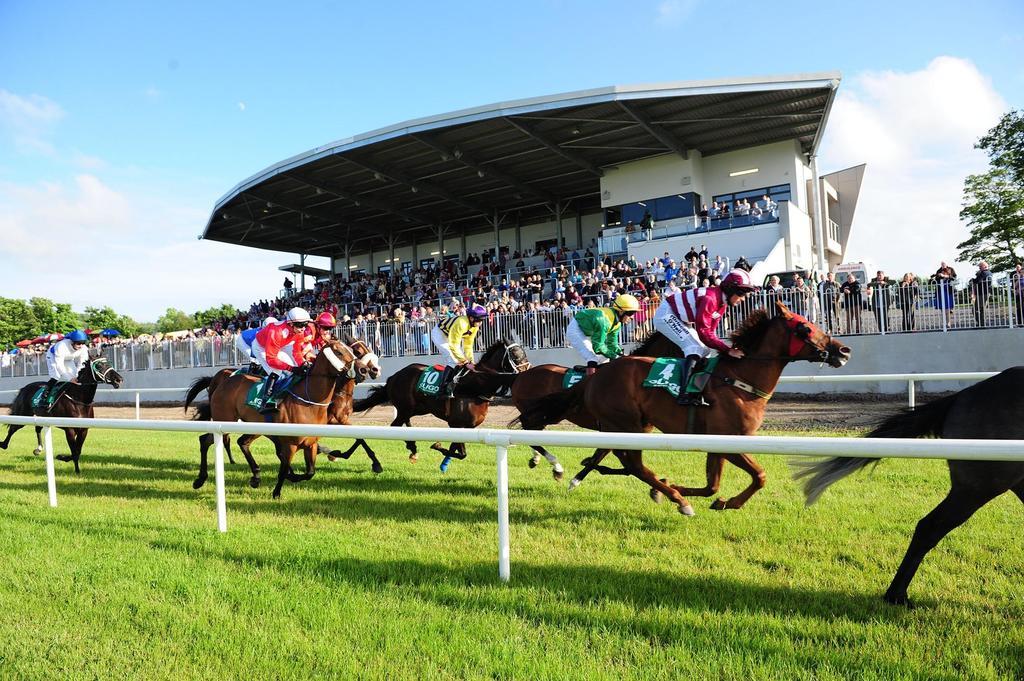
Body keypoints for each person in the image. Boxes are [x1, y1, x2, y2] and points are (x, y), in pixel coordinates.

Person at [652, 269, 756, 406]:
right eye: (741, 294)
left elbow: (710, 333)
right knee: (694, 347)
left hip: (680, 318)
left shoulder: (722, 304)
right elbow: (703, 332)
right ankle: (683, 394)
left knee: (705, 350)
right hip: (666, 314)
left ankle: (695, 392)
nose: (742, 299)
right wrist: (727, 350)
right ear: (730, 289)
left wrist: (725, 349)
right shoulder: (711, 299)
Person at [251, 307, 313, 413]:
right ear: (291, 324)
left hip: (279, 346)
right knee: (276, 371)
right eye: (300, 325)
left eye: (305, 325)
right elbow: (271, 359)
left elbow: (296, 352)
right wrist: (291, 368)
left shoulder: (299, 332)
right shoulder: (277, 332)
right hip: (260, 347)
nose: (303, 329)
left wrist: (302, 363)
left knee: (296, 367)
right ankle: (265, 402)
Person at [566, 294, 640, 373]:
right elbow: (598, 347)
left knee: (604, 359)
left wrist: (621, 354)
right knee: (592, 357)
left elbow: (612, 344)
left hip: (589, 331)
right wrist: (615, 356)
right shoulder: (604, 321)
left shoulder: (617, 323)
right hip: (576, 329)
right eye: (631, 313)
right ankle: (590, 383)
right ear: (621, 311)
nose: (632, 317)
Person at [430, 303, 487, 398]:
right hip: (440, 334)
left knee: (463, 361)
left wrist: (470, 361)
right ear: (472, 318)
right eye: (480, 320)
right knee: (453, 360)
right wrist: (465, 362)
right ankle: (442, 390)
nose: (481, 323)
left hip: (451, 337)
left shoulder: (475, 327)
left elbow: (468, 345)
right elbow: (453, 346)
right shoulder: (461, 323)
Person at [43, 330, 90, 405]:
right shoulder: (61, 346)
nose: (81, 345)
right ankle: (45, 396)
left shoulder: (84, 348)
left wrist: (76, 376)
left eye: (83, 343)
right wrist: (70, 379)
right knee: (57, 376)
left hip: (68, 359)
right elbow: (59, 365)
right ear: (72, 342)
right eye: (78, 343)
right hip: (53, 356)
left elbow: (82, 364)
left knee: (74, 375)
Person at [932, 262, 957, 328]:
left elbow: (955, 277)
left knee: (947, 307)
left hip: (948, 290)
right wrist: (938, 276)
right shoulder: (938, 270)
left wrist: (946, 276)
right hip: (940, 290)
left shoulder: (951, 269)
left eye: (944, 264)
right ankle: (944, 322)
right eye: (941, 264)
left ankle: (948, 323)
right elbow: (936, 280)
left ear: (946, 264)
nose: (943, 265)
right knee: (942, 308)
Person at [969, 261, 993, 327]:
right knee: (981, 309)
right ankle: (981, 323)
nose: (979, 268)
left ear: (985, 266)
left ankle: (980, 322)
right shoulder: (989, 272)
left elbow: (977, 281)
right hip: (983, 293)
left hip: (983, 293)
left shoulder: (984, 273)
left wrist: (972, 280)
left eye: (980, 266)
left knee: (976, 309)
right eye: (979, 267)